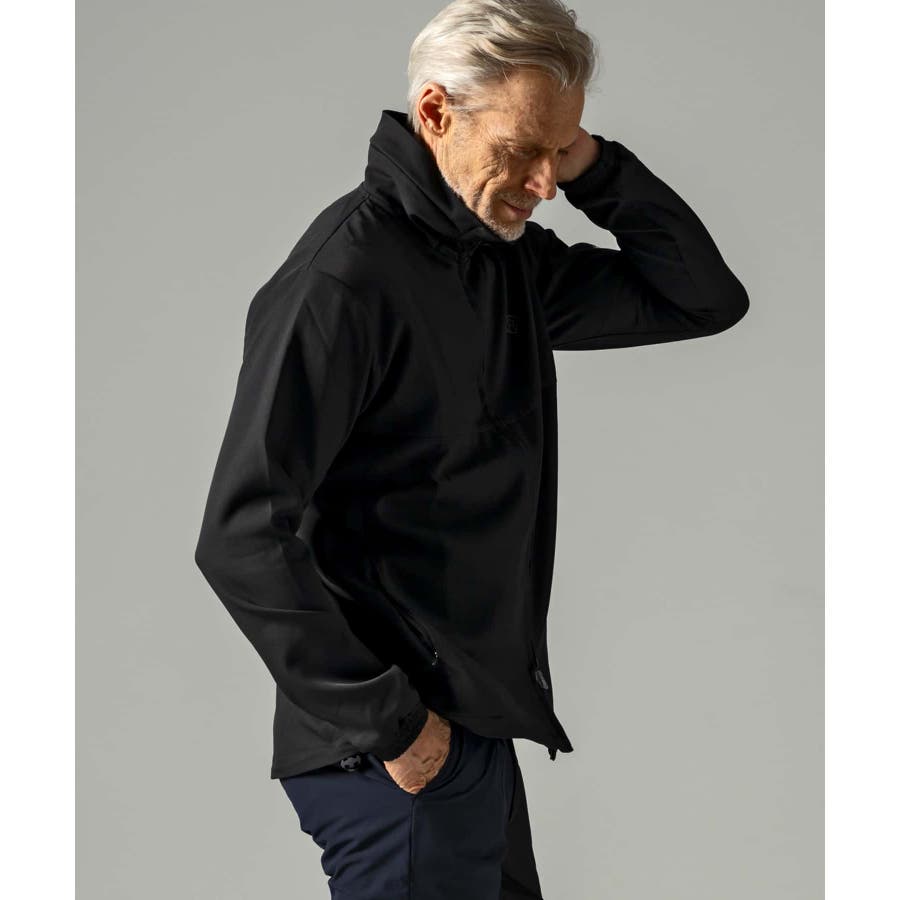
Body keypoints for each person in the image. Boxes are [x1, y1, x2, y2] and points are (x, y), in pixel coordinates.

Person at [193, 0, 750, 896]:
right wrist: (397, 729)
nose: (544, 184)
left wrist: (597, 165)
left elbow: (702, 298)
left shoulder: (502, 261)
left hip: (465, 731)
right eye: (522, 149)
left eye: (559, 153)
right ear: (435, 112)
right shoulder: (343, 282)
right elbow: (242, 534)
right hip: (396, 752)